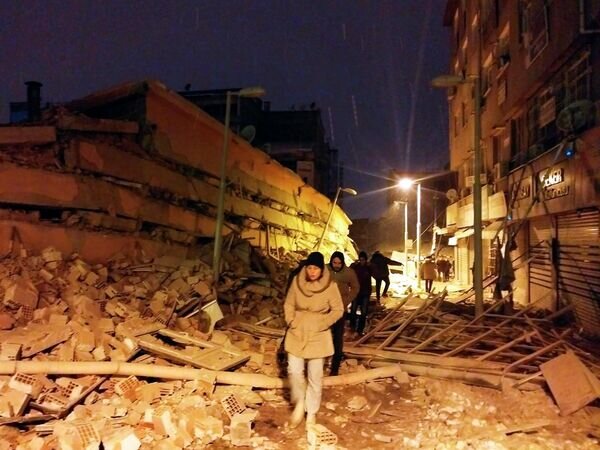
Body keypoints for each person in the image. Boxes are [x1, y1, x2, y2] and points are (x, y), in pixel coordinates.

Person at [284, 251, 344, 428]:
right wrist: (291, 320)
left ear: (322, 269)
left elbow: (338, 309)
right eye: (309, 267)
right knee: (294, 370)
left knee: (315, 376)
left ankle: (311, 412)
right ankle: (299, 402)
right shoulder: (297, 282)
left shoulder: (330, 286)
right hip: (297, 331)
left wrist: (323, 323)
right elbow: (289, 303)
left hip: (318, 334)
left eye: (316, 268)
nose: (312, 272)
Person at [328, 251, 360, 376]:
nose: (336, 265)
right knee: (323, 336)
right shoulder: (325, 270)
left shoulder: (349, 273)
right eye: (334, 263)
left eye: (339, 263)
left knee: (337, 338)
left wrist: (346, 301)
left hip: (340, 310)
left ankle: (334, 368)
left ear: (342, 263)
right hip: (325, 309)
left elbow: (355, 288)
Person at [350, 251, 373, 335]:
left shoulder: (368, 268)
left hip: (365, 293)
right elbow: (349, 271)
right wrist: (353, 264)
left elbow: (376, 273)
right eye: (361, 260)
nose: (362, 261)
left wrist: (371, 265)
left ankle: (360, 329)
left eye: (363, 260)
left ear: (366, 260)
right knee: (353, 310)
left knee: (364, 312)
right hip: (356, 292)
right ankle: (352, 327)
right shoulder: (356, 267)